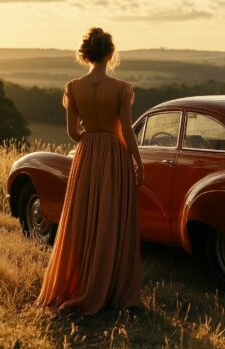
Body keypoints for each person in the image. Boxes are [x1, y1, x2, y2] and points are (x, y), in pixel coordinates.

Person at [35, 27, 144, 315]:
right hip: (115, 155)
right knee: (110, 215)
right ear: (110, 54)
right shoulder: (122, 89)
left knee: (83, 217)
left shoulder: (73, 87)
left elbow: (72, 132)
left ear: (85, 55)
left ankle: (79, 282)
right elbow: (128, 132)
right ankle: (107, 287)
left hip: (87, 154)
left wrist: (90, 139)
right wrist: (138, 160)